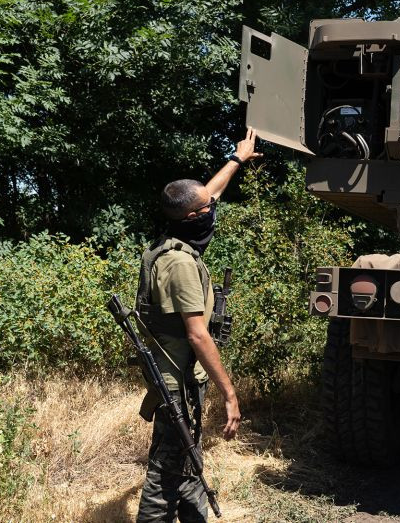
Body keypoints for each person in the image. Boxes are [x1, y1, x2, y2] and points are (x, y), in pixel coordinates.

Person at [135, 128, 262, 523]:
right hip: (176, 382)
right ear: (193, 217)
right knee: (163, 479)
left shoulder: (177, 235)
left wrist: (237, 159)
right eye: (208, 208)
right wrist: (230, 394)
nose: (214, 208)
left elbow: (210, 192)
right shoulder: (180, 264)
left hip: (183, 379)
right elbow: (197, 334)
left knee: (188, 462)